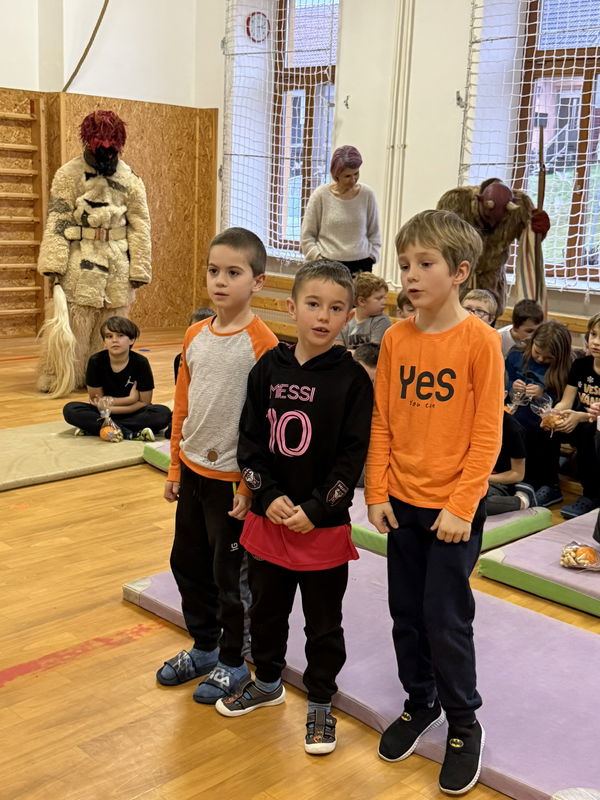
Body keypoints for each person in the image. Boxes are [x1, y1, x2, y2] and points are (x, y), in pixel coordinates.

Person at [366, 209, 504, 795]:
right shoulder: (395, 338)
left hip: (452, 512)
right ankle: (420, 701)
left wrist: (462, 504)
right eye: (405, 264)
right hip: (402, 503)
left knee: (445, 619)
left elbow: (487, 433)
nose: (411, 275)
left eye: (425, 264)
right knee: (405, 612)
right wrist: (377, 491)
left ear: (460, 272)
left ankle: (464, 723)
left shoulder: (480, 342)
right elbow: (382, 421)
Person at [215, 260, 373, 757]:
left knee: (323, 624)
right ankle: (267, 681)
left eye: (336, 308)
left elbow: (352, 459)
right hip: (271, 521)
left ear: (349, 316)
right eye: (313, 304)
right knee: (266, 611)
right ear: (291, 307)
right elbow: (249, 442)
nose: (323, 316)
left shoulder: (353, 380)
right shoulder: (268, 367)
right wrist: (265, 496)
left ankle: (321, 700)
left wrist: (317, 509)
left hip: (320, 528)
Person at [156, 227, 278, 703]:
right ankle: (205, 646)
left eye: (233, 272)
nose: (220, 281)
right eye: (213, 271)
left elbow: (266, 426)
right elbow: (182, 406)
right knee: (186, 563)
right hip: (193, 474)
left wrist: (249, 487)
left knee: (229, 577)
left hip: (232, 483)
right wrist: (174, 468)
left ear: (257, 282)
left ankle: (233, 659)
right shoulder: (195, 335)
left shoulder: (263, 344)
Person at [37, 110, 152, 396]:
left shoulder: (130, 179)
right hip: (80, 261)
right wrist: (54, 264)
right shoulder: (69, 174)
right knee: (75, 321)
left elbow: (140, 224)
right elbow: (58, 218)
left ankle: (102, 378)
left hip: (117, 265)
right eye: (101, 146)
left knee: (111, 325)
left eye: (112, 147)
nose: (106, 152)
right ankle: (60, 375)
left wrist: (140, 268)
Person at [62, 316, 170, 440]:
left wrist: (111, 408)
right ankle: (130, 433)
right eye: (109, 336)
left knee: (163, 414)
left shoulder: (141, 362)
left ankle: (102, 428)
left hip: (132, 412)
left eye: (120, 335)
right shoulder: (96, 361)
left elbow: (144, 402)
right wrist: (130, 399)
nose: (114, 340)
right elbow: (97, 401)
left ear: (132, 340)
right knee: (70, 409)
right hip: (103, 413)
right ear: (104, 341)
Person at [505, 320, 573, 507]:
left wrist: (543, 393)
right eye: (537, 353)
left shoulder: (567, 366)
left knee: (545, 427)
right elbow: (506, 382)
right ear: (532, 343)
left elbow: (567, 398)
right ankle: (518, 479)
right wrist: (513, 386)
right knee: (513, 423)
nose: (541, 359)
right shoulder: (517, 354)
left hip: (548, 414)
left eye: (548, 358)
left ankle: (549, 484)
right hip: (518, 408)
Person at [548, 313, 600, 518]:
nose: (595, 342)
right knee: (549, 426)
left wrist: (579, 417)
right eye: (593, 334)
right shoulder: (581, 365)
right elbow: (566, 401)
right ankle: (548, 484)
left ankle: (591, 495)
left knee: (588, 432)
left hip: (594, 427)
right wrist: (553, 414)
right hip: (581, 419)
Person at [301, 145, 381, 275]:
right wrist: (317, 259)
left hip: (361, 265)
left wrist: (372, 256)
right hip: (327, 265)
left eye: (356, 174)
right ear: (336, 175)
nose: (353, 180)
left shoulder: (367, 194)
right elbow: (307, 235)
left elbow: (374, 232)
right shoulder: (320, 195)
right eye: (347, 176)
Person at [486, 407, 537, 515]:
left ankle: (522, 500)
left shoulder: (512, 429)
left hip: (498, 481)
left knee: (477, 504)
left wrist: (483, 478)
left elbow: (517, 474)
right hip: (470, 476)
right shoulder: (467, 420)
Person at [340, 272, 391, 348]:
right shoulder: (345, 317)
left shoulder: (382, 321)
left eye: (384, 298)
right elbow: (338, 349)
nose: (384, 302)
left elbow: (372, 352)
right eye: (379, 298)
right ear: (362, 301)